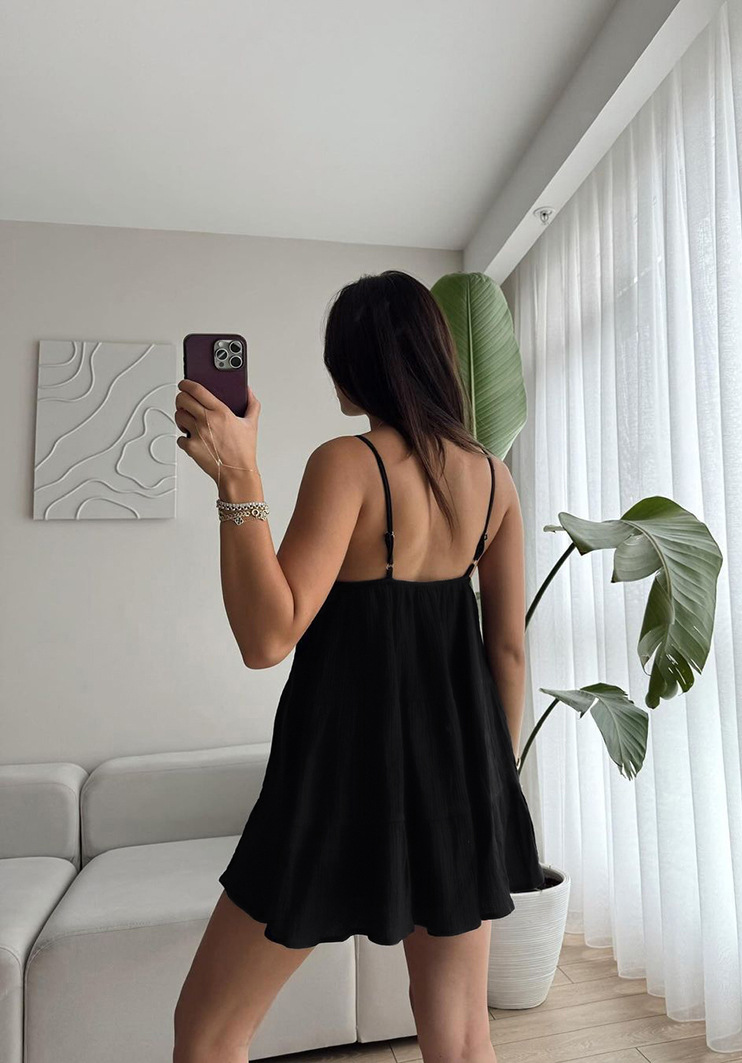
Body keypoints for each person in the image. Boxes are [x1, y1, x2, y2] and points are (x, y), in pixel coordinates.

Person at [171, 270, 546, 1063]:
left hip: (336, 782)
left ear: (354, 370)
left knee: (207, 1032)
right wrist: (489, 782)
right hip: (460, 782)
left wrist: (239, 477)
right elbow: (508, 649)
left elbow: (267, 637)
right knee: (462, 1037)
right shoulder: (495, 479)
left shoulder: (348, 463)